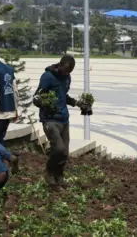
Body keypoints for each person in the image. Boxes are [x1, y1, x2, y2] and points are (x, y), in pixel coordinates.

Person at [33, 54, 92, 190]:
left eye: (68, 72)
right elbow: (36, 96)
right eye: (64, 71)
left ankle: (59, 177)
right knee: (58, 148)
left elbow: (63, 96)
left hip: (64, 119)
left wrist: (77, 103)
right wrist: (42, 102)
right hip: (50, 119)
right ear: (59, 65)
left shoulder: (67, 78)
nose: (66, 74)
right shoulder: (47, 77)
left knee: (64, 153)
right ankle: (49, 173)